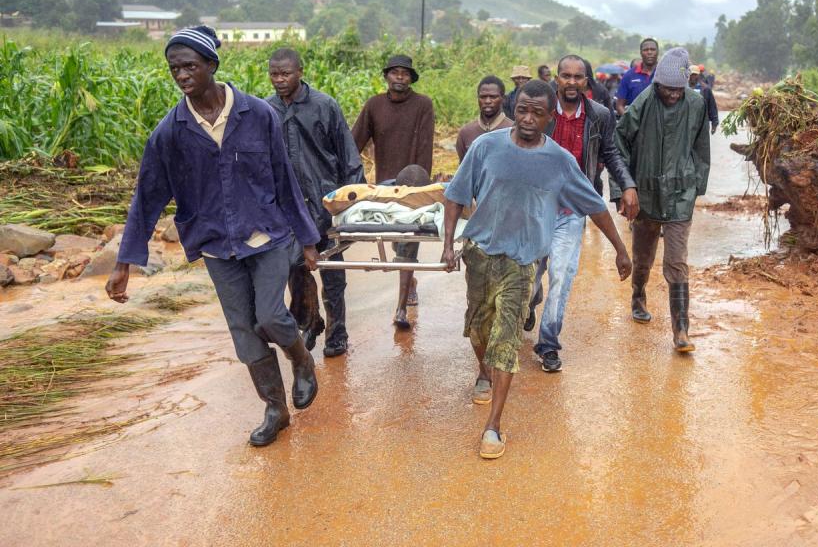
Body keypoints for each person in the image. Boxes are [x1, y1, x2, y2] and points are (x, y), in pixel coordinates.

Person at [105, 26, 321, 447]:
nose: (182, 75)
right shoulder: (170, 133)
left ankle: (302, 359)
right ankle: (275, 408)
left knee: (271, 316)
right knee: (243, 329)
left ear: (211, 66)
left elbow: (284, 180)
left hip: (267, 236)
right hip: (218, 245)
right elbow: (146, 200)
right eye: (175, 69)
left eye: (190, 66)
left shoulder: (258, 115)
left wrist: (308, 240)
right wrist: (122, 265)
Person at [441, 79, 632, 459]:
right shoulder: (485, 147)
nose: (528, 119)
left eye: (538, 113)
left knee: (506, 338)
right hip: (480, 254)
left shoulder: (560, 161)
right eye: (523, 110)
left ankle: (493, 426)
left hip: (523, 262)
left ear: (549, 117)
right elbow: (455, 196)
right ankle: (484, 371)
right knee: (478, 330)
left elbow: (593, 205)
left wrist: (620, 248)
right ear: (515, 109)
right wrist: (448, 244)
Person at [526, 54, 639, 372]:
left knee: (561, 277)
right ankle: (529, 303)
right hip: (536, 207)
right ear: (556, 79)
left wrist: (627, 185)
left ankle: (548, 344)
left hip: (572, 210)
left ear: (587, 82)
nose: (572, 82)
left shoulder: (599, 115)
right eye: (566, 76)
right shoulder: (542, 111)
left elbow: (612, 154)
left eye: (578, 77)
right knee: (530, 279)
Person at [267, 47, 366, 358]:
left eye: (286, 73)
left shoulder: (324, 106)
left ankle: (337, 335)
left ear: (300, 72)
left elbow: (349, 156)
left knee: (333, 276)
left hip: (326, 205)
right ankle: (309, 320)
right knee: (294, 268)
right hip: (287, 209)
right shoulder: (266, 110)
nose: (279, 80)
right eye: (274, 74)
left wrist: (353, 202)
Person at [613, 47, 710, 353]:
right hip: (646, 194)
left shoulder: (696, 103)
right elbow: (618, 142)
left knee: (677, 261)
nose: (671, 95)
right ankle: (638, 294)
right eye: (666, 89)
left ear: (686, 84)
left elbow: (701, 149)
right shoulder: (644, 101)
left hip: (681, 194)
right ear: (656, 85)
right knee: (643, 258)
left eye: (676, 89)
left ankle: (680, 330)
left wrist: (695, 187)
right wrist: (624, 189)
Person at [353, 54, 435, 328]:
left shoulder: (423, 104)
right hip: (385, 187)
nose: (400, 77)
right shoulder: (375, 105)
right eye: (395, 72)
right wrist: (356, 181)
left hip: (413, 183)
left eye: (405, 73)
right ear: (387, 76)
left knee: (407, 243)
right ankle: (410, 279)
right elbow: (355, 143)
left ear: (411, 78)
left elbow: (425, 146)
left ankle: (400, 308)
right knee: (395, 241)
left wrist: (421, 186)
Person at [456, 75, 513, 162]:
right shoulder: (466, 132)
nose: (487, 101)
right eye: (483, 97)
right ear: (478, 98)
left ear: (503, 99)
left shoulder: (513, 131)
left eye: (493, 97)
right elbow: (464, 170)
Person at [616, 38, 659, 116]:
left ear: (657, 52)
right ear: (641, 53)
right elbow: (619, 106)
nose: (649, 52)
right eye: (646, 50)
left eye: (653, 49)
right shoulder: (629, 76)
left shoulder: (665, 73)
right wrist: (630, 122)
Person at [688, 64, 720, 134]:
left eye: (695, 74)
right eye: (691, 74)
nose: (693, 77)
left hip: (702, 123)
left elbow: (712, 106)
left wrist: (714, 123)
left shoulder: (705, 89)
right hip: (686, 123)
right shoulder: (682, 89)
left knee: (702, 144)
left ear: (699, 75)